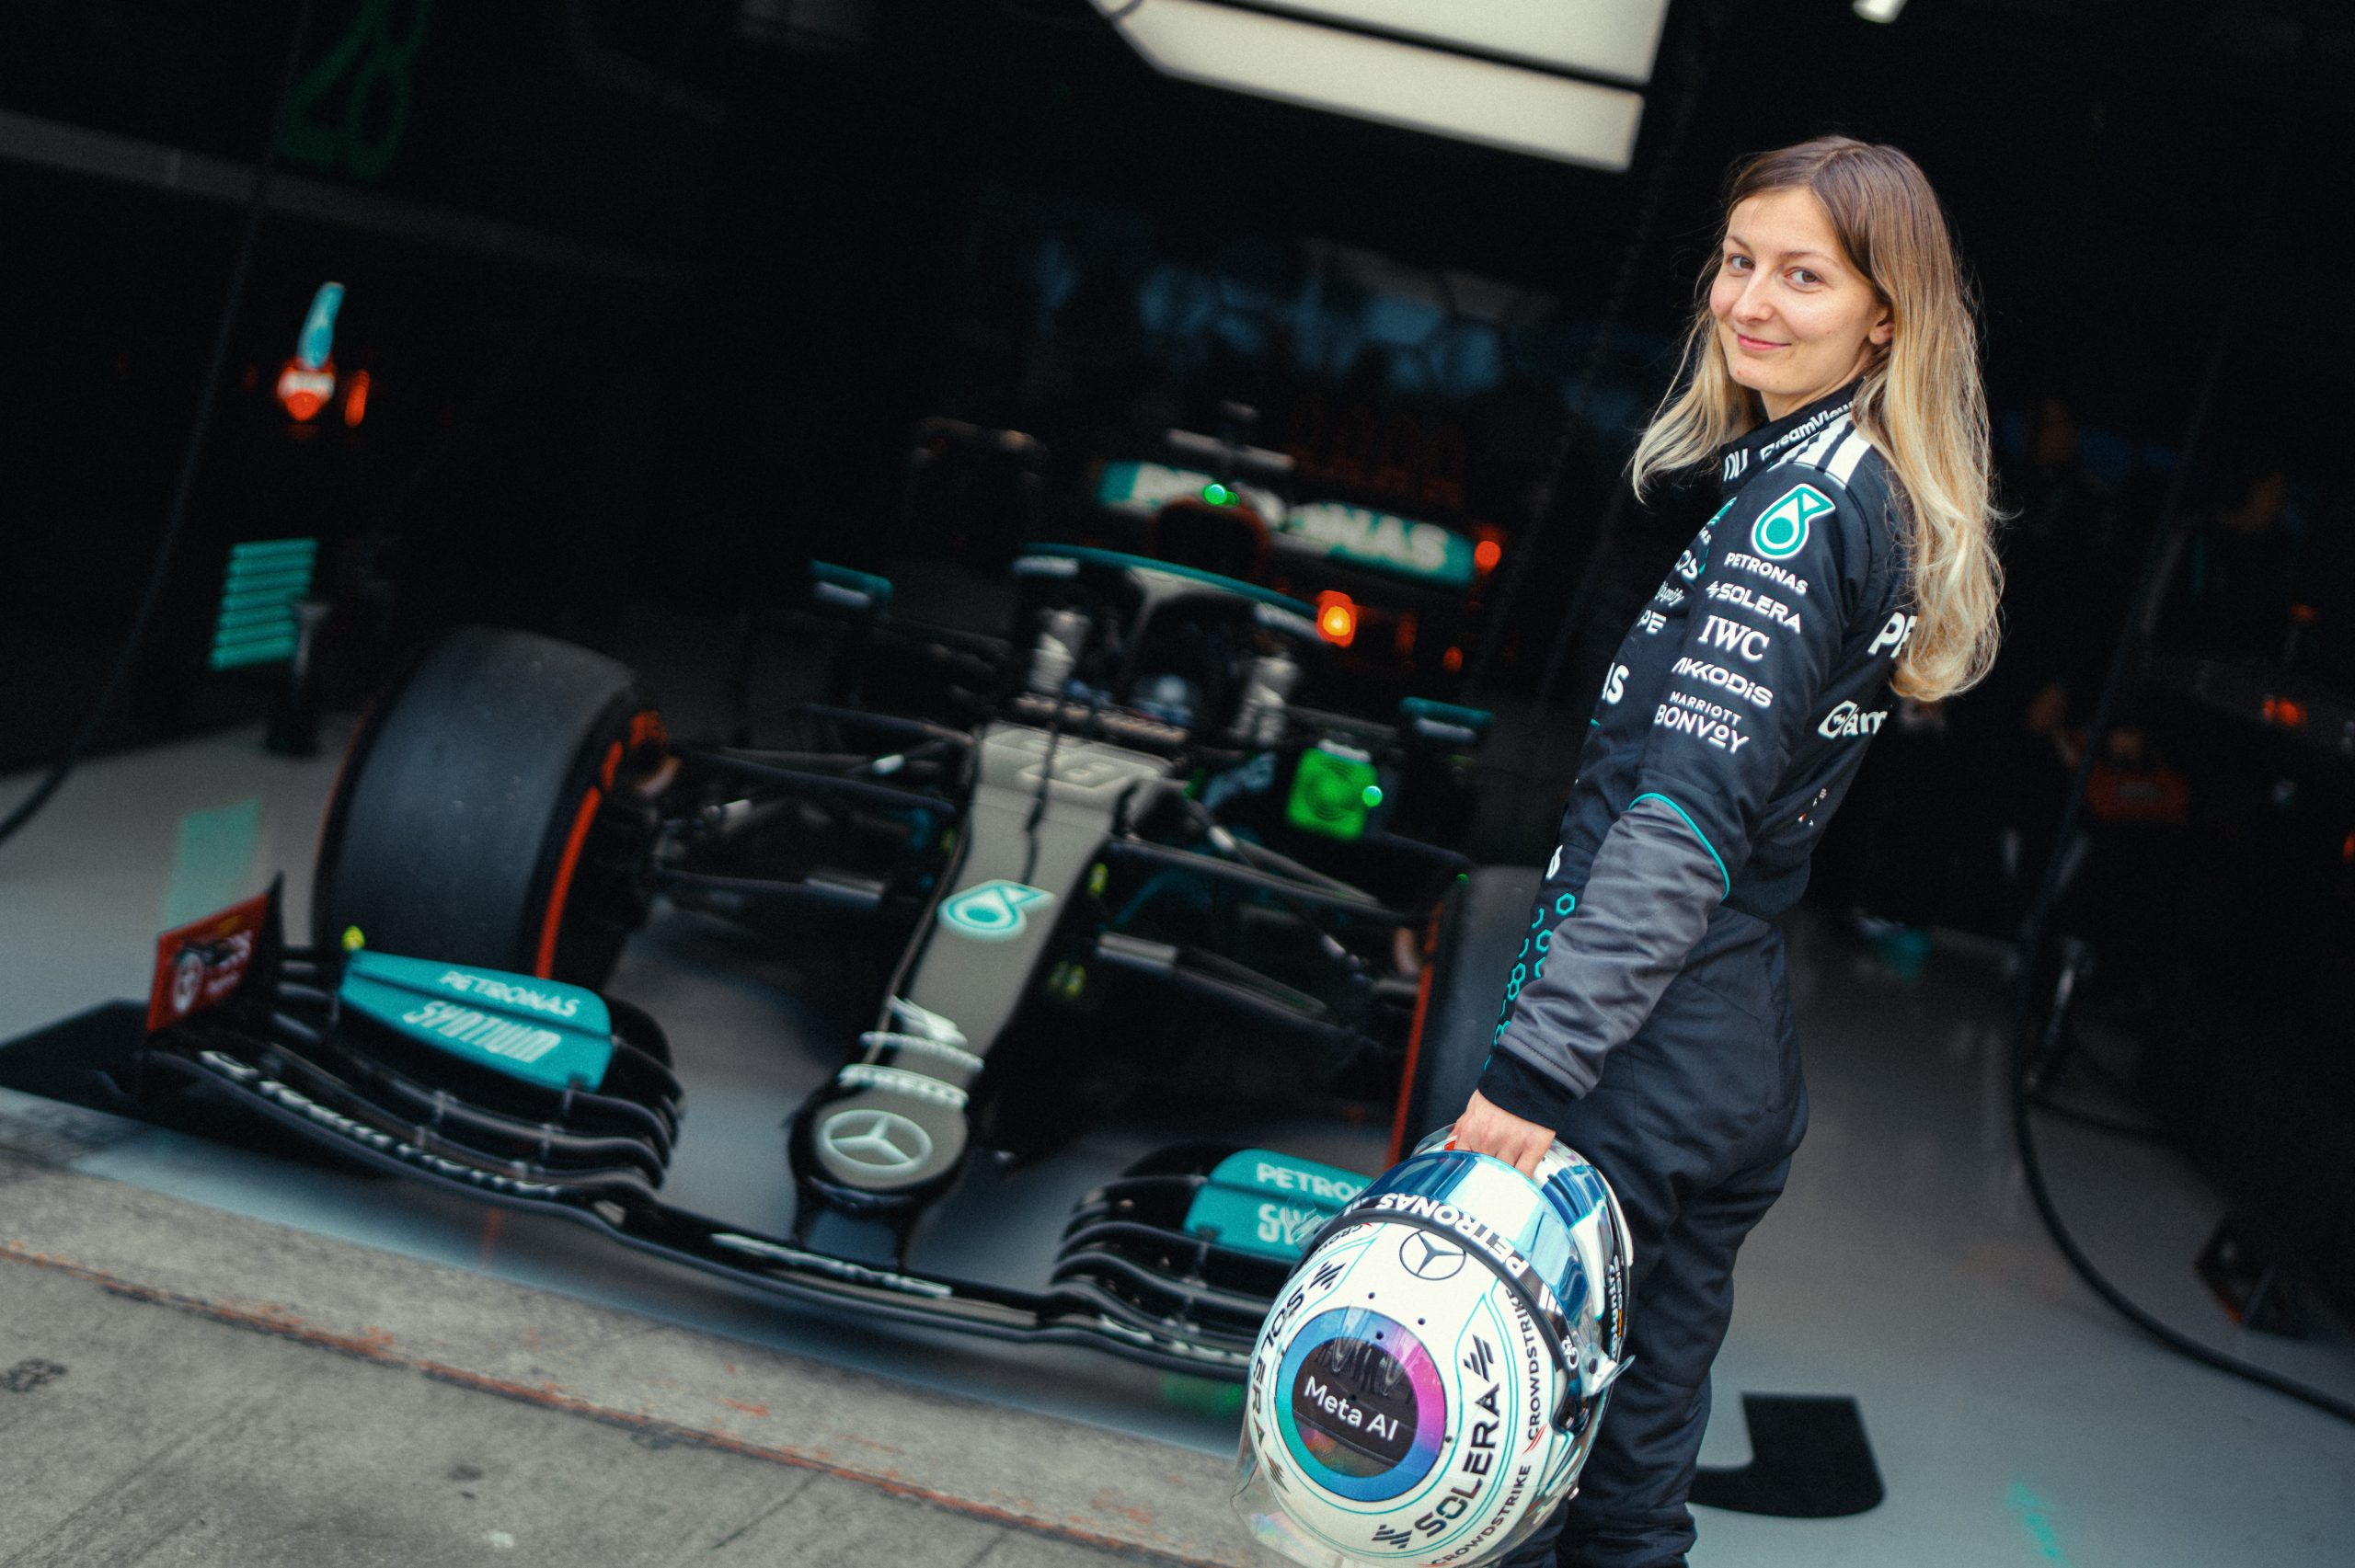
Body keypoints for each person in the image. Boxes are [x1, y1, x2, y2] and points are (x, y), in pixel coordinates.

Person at [1453, 137, 2004, 1568]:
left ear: (1883, 315)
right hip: (1726, 1046)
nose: (1750, 300)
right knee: (1625, 1487)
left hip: (1642, 1052)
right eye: (1740, 261)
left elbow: (1686, 822)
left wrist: (1535, 1071)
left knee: (1493, 1469)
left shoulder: (1796, 516)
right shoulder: (1853, 483)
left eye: (1803, 276)